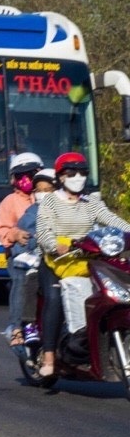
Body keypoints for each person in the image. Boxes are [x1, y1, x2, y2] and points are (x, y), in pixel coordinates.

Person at [34, 152, 130, 376]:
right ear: (60, 177)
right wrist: (56, 245)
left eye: (82, 172)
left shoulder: (91, 202)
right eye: (71, 172)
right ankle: (48, 356)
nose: (78, 176)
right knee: (54, 299)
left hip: (88, 259)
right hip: (56, 262)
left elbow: (113, 220)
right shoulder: (50, 201)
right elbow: (44, 231)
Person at [0, 152, 43, 342]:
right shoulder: (10, 201)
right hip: (21, 254)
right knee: (22, 280)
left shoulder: (49, 198)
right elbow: (2, 231)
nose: (26, 179)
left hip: (47, 251)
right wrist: (14, 234)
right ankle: (17, 328)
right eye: (22, 175)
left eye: (31, 174)